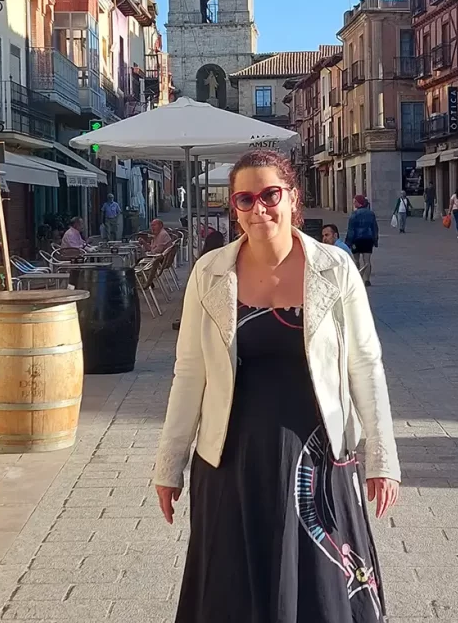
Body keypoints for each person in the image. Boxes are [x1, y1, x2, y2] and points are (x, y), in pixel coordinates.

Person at [155, 149, 400, 623]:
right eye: (244, 199)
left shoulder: (334, 268)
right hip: (230, 461)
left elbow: (365, 364)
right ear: (234, 209)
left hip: (320, 459)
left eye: (270, 194)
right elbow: (189, 372)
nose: (259, 208)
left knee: (322, 595)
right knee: (233, 593)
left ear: (292, 198)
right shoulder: (209, 274)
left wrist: (382, 458)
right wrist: (170, 463)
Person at [345, 194, 379, 285]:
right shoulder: (371, 214)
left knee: (356, 260)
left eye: (355, 202)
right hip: (368, 239)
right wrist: (375, 239)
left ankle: (358, 278)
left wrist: (348, 242)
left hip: (356, 239)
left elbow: (351, 230)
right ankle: (367, 279)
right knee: (367, 260)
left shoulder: (354, 214)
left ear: (359, 203)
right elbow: (374, 228)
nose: (353, 203)